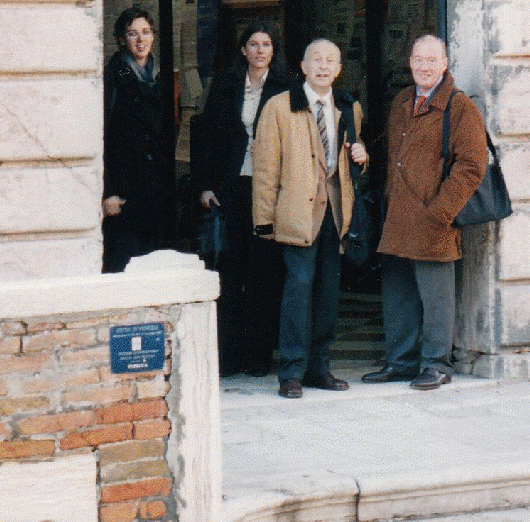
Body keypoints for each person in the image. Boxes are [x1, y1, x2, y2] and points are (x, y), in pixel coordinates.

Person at [363, 34, 486, 389]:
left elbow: (472, 166)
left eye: (432, 60)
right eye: (418, 60)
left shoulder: (460, 107)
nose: (424, 67)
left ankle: (437, 364)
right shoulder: (402, 100)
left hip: (434, 220)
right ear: (410, 62)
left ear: (445, 64)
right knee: (398, 296)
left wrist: (440, 212)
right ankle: (400, 362)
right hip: (398, 216)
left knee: (436, 300)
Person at [252, 38, 368, 398]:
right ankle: (291, 372)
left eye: (330, 61)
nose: (323, 66)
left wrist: (362, 157)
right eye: (316, 59)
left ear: (339, 69)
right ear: (303, 67)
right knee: (298, 292)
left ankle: (320, 368)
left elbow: (351, 165)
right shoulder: (279, 106)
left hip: (335, 213)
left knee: (328, 294)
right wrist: (264, 219)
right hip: (297, 213)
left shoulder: (348, 107)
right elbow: (265, 168)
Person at [190, 21, 292, 376]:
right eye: (253, 44)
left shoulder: (285, 88)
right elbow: (206, 137)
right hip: (230, 187)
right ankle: (229, 356)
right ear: (243, 50)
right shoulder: (225, 85)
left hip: (267, 189)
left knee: (263, 272)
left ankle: (258, 356)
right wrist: (205, 185)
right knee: (229, 272)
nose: (260, 51)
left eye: (266, 44)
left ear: (274, 51)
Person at [102, 6, 174, 273]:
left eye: (146, 32)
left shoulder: (159, 75)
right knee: (123, 262)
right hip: (124, 188)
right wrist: (108, 190)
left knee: (153, 263)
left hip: (154, 185)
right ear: (122, 39)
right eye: (133, 34)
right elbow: (102, 135)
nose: (141, 39)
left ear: (153, 36)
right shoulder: (116, 74)